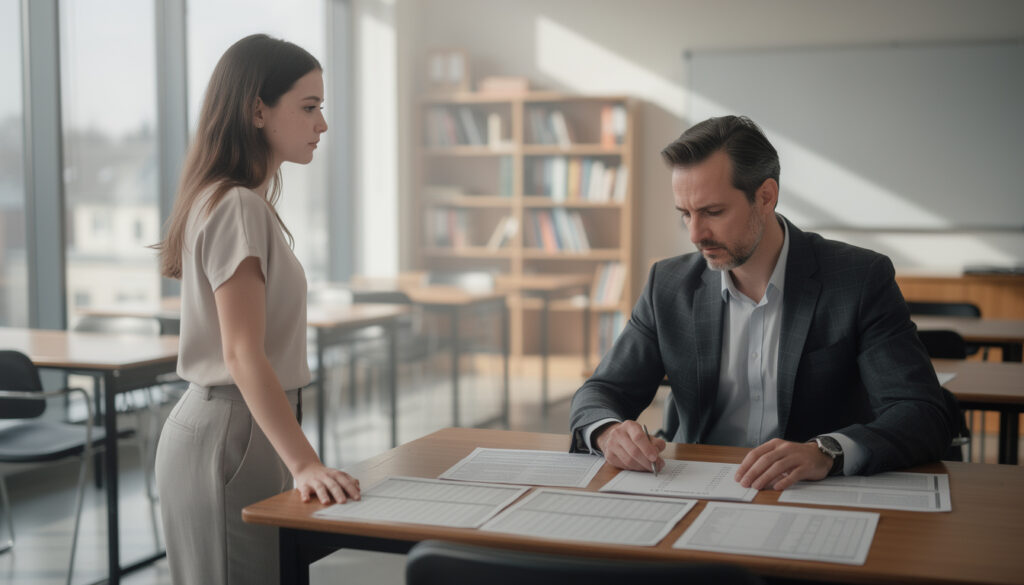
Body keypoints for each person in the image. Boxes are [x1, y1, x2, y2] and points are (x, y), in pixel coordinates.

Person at [569, 115, 958, 491]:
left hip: (812, 494)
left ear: (766, 197)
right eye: (684, 214)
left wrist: (826, 452)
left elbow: (921, 414)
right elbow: (602, 391)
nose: (695, 234)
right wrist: (606, 432)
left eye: (713, 212)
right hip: (695, 487)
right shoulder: (668, 285)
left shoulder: (858, 279)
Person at [153, 34, 359, 585]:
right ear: (257, 110)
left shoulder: (231, 200)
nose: (322, 124)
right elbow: (242, 353)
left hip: (240, 427)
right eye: (309, 107)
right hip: (231, 432)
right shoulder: (237, 205)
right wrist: (305, 463)